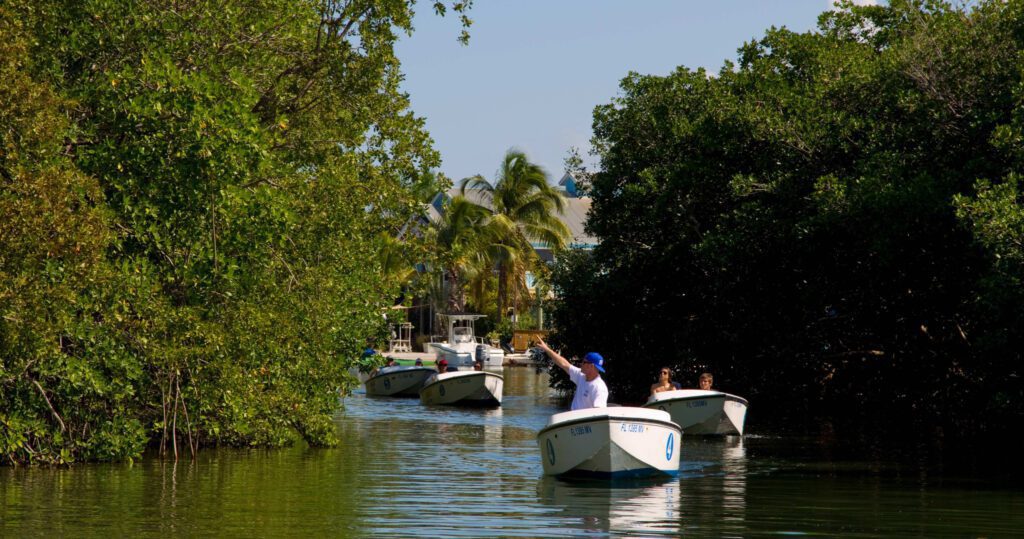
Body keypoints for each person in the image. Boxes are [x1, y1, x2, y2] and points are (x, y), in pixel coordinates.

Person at [535, 337, 608, 410]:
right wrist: (546, 349)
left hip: (583, 420)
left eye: (584, 362)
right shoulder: (581, 376)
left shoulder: (599, 387)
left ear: (591, 366)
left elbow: (599, 412)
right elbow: (564, 364)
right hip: (574, 417)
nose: (581, 364)